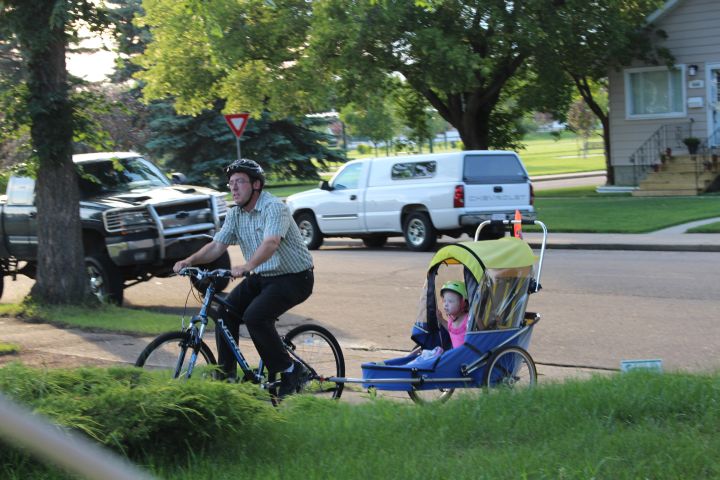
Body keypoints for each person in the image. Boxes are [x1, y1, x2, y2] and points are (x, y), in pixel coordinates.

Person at [173, 159, 315, 398]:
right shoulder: (236, 213)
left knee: (255, 316)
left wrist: (247, 265)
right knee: (225, 313)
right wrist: (189, 261)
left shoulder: (273, 207)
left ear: (256, 185)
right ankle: (227, 377)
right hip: (262, 276)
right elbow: (217, 246)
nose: (234, 188)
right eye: (230, 183)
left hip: (294, 277)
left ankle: (292, 370)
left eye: (240, 181)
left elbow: (271, 242)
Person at [440, 280, 469, 349]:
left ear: (463, 303)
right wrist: (440, 319)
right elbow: (451, 330)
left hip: (466, 356)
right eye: (444, 301)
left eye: (450, 301)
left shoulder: (468, 319)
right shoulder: (451, 317)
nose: (446, 304)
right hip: (455, 356)